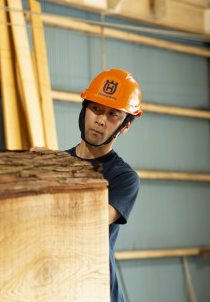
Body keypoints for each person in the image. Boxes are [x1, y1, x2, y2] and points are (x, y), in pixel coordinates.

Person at [65, 68, 142, 302]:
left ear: (125, 126)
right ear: (84, 108)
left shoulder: (123, 177)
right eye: (96, 109)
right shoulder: (53, 164)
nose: (100, 120)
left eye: (113, 115)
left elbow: (92, 218)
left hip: (97, 291)